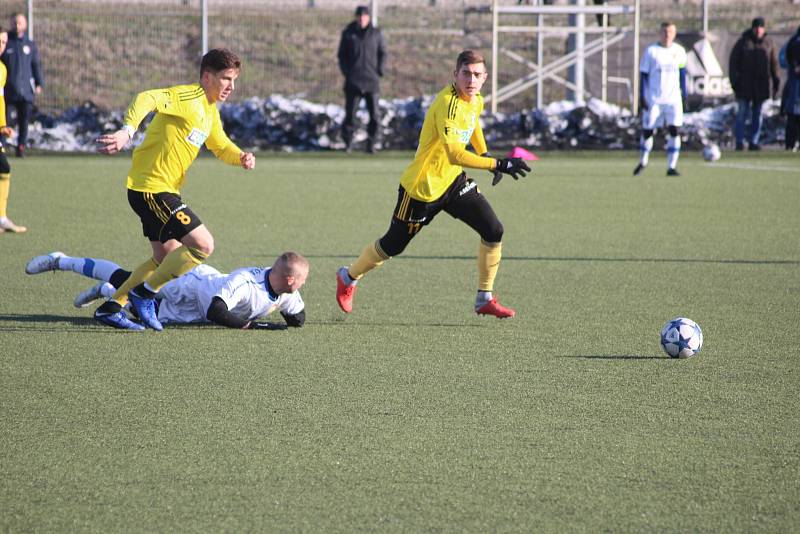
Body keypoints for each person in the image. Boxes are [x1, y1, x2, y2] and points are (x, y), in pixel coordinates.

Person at [335, 50, 530, 319]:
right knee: (393, 246)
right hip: (421, 190)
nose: (471, 80)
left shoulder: (476, 100)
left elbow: (473, 125)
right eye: (466, 74)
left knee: (493, 229)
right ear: (455, 74)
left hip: (453, 181)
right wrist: (497, 164)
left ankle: (484, 297)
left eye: (476, 75)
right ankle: (348, 276)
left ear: (485, 78)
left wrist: (483, 153)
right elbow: (455, 154)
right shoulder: (447, 104)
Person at [93, 48, 256, 331]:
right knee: (203, 245)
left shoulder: (209, 110)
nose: (231, 86)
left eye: (234, 80)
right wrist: (126, 131)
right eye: (226, 78)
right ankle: (144, 294)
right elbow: (148, 97)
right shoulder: (189, 97)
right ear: (207, 77)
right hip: (152, 189)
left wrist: (240, 155)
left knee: (164, 258)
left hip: (158, 189)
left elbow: (219, 144)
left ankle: (111, 308)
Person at [25, 251, 308, 330]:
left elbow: (298, 318)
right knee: (127, 277)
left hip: (192, 312)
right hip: (190, 286)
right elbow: (216, 310)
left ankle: (109, 291)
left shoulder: (288, 292)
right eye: (304, 279)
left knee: (145, 315)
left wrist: (290, 318)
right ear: (292, 280)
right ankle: (61, 261)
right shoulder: (246, 282)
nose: (304, 285)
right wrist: (250, 325)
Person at [633, 22, 687, 177]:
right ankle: (643, 161)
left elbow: (682, 75)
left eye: (670, 31)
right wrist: (642, 97)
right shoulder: (651, 52)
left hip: (673, 98)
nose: (667, 34)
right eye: (664, 31)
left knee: (675, 130)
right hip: (654, 99)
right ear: (660, 33)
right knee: (648, 131)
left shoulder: (679, 51)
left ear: (674, 33)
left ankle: (671, 167)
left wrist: (685, 95)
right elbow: (643, 76)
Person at [337, 5, 386, 154]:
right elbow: (341, 56)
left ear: (369, 18)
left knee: (374, 115)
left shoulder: (376, 34)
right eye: (359, 16)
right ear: (356, 17)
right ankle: (348, 143)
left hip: (371, 80)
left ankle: (371, 144)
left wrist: (379, 71)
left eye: (364, 16)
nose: (362, 19)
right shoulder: (348, 33)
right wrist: (347, 73)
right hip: (353, 81)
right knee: (350, 114)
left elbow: (383, 53)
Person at [729, 17, 780, 151]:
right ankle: (739, 142)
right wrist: (735, 83)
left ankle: (753, 141)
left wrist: (776, 82)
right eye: (756, 27)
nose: (758, 30)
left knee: (757, 115)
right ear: (752, 28)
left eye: (761, 27)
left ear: (764, 29)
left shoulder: (768, 44)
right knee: (742, 114)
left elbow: (774, 65)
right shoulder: (743, 43)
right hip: (745, 86)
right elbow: (733, 64)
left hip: (761, 86)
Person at [0, 13, 44, 158]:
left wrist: (39, 83)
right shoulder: (7, 43)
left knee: (23, 121)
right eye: (14, 22)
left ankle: (21, 147)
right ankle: (2, 146)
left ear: (24, 24)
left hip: (25, 91)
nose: (17, 25)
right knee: (4, 120)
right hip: (8, 90)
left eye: (19, 22)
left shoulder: (30, 44)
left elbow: (36, 65)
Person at [0, 26, 25, 233]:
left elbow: (0, 101)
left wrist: (3, 125)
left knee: (3, 168)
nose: (2, 46)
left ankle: (1, 218)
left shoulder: (2, 69)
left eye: (4, 42)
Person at [781, 26, 800, 152]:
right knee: (793, 114)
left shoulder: (793, 40)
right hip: (795, 83)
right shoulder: (795, 41)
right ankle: (790, 144)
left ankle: (790, 144)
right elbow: (785, 59)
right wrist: (795, 66)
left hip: (794, 83)